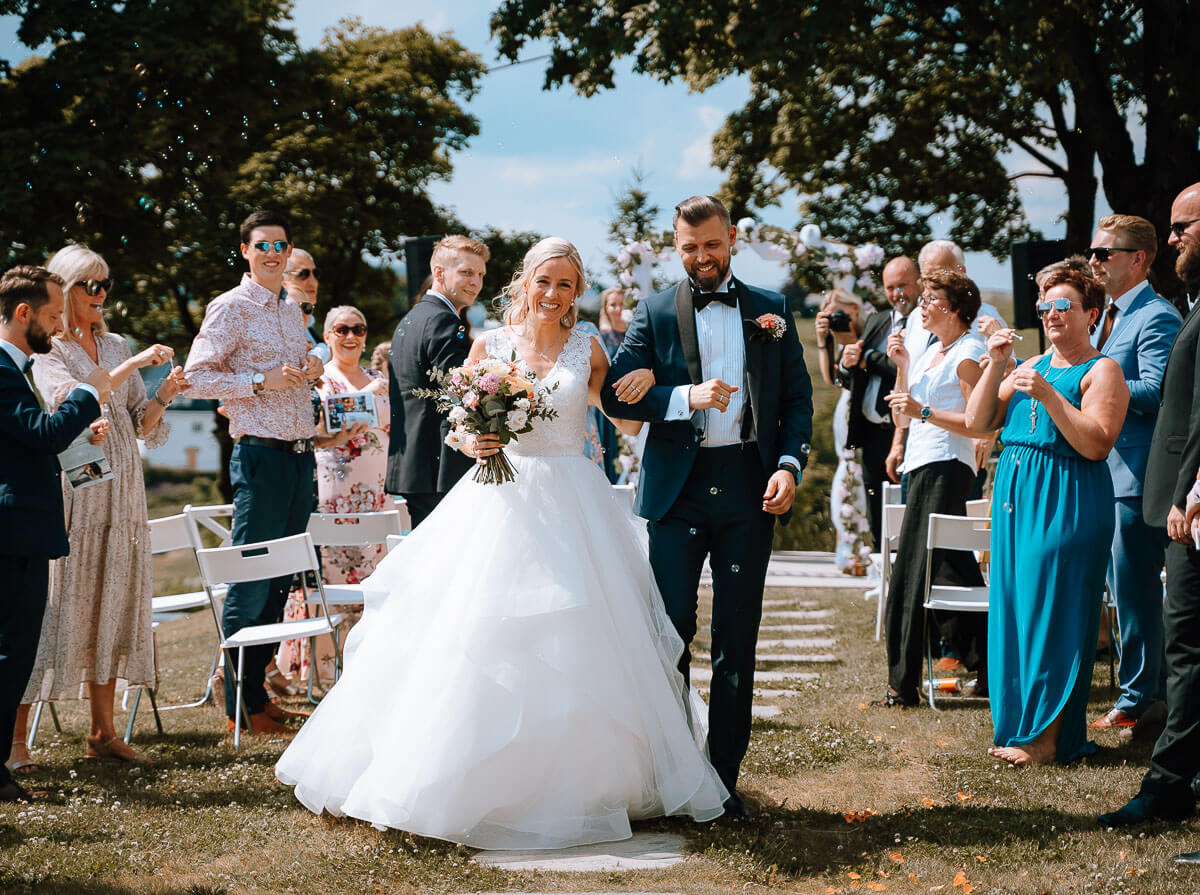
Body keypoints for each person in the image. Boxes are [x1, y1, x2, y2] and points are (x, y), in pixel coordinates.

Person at [276, 237, 727, 849]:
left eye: (566, 284)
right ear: (525, 282)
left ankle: (586, 780)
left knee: (582, 636)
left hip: (575, 500)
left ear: (577, 292)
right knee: (479, 633)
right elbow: (459, 420)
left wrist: (654, 380)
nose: (553, 294)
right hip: (500, 497)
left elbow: (623, 419)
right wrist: (472, 442)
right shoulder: (491, 345)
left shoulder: (589, 347)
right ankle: (465, 775)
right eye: (544, 281)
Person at [602, 195, 815, 818]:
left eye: (712, 245)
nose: (701, 257)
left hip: (750, 488)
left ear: (731, 243)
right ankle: (672, 775)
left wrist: (788, 463)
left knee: (737, 637)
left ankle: (722, 781)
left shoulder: (771, 310)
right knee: (669, 636)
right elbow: (620, 396)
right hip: (677, 493)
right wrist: (681, 396)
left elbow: (797, 400)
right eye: (689, 247)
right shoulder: (655, 309)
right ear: (677, 247)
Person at [11, 246, 185, 767]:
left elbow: (136, 423)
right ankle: (16, 742)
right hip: (77, 488)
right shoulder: (50, 349)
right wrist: (135, 364)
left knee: (113, 597)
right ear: (64, 291)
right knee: (54, 606)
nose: (100, 294)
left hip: (124, 488)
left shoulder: (115, 342)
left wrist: (164, 394)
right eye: (90, 284)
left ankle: (102, 732)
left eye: (105, 284)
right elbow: (72, 399)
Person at [967, 269, 1128, 764]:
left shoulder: (1102, 372)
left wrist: (1047, 395)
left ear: (1091, 314)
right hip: (1017, 501)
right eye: (1044, 307)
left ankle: (1049, 739)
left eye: (1063, 305)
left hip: (1067, 500)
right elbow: (978, 422)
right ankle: (1019, 725)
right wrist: (996, 365)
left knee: (1052, 615)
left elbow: (1097, 443)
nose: (1051, 314)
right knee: (1015, 611)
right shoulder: (1029, 363)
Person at [184, 210, 324, 737]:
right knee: (250, 577)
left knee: (282, 579)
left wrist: (313, 362)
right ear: (245, 250)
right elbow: (197, 377)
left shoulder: (291, 311)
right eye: (262, 244)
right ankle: (236, 709)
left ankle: (258, 697)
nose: (273, 253)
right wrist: (258, 382)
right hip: (260, 456)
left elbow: (305, 359)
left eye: (281, 245)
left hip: (299, 455)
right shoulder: (230, 307)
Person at [1101, 183, 1200, 838]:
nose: (1173, 238)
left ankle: (1162, 756)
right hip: (1160, 487)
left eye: (1182, 225)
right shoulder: (1173, 307)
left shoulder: (1159, 314)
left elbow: (1171, 400)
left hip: (1160, 488)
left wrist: (1187, 488)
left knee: (1170, 624)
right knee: (1155, 614)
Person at [0, 265, 108, 799]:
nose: (56, 326)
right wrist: (86, 395)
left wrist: (77, 428)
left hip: (22, 528)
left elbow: (27, 440)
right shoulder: (0, 368)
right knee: (11, 650)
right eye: (49, 316)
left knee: (14, 649)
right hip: (12, 532)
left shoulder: (13, 369)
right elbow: (40, 435)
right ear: (24, 315)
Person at [1085, 215, 1181, 735]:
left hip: (1138, 476)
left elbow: (1161, 393)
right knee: (1122, 592)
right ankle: (1148, 694)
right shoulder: (1109, 317)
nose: (1094, 261)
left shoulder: (1155, 316)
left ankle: (1140, 698)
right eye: (1093, 252)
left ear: (1139, 259)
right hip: (1107, 471)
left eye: (1106, 253)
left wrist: (1099, 388)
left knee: (1135, 592)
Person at [874, 269, 989, 707]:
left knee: (913, 573)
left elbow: (975, 421)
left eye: (930, 298)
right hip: (919, 464)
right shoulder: (928, 354)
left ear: (955, 309)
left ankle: (901, 687)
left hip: (947, 463)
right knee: (950, 569)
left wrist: (922, 411)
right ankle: (988, 666)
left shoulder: (968, 352)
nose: (921, 305)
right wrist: (903, 367)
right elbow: (902, 417)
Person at [277, 305, 390, 684]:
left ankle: (373, 661)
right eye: (341, 329)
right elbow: (312, 428)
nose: (351, 336)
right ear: (327, 336)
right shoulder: (320, 380)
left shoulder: (378, 376)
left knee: (375, 576)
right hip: (335, 489)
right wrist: (339, 428)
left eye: (358, 328)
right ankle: (331, 666)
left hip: (376, 491)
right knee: (337, 575)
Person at [385, 236, 486, 527]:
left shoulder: (411, 318)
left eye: (480, 274)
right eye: (467, 272)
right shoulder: (444, 321)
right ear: (439, 272)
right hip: (441, 465)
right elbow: (461, 391)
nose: (476, 282)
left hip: (414, 465)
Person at [838, 256, 918, 545]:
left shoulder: (926, 322)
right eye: (891, 287)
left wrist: (867, 359)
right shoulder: (876, 320)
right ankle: (879, 566)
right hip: (871, 431)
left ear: (919, 283)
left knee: (908, 506)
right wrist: (846, 363)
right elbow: (851, 373)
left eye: (904, 286)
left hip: (907, 431)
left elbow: (908, 366)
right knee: (877, 507)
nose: (898, 294)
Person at [814, 289, 872, 574]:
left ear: (855, 308)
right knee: (845, 483)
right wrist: (824, 340)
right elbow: (831, 378)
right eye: (830, 315)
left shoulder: (870, 333)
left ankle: (860, 553)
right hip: (846, 413)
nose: (837, 319)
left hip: (863, 418)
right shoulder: (838, 341)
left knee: (858, 483)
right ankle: (848, 550)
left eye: (840, 313)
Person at [598, 286, 630, 356]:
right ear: (606, 308)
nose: (618, 309)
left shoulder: (636, 334)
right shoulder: (601, 338)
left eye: (622, 304)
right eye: (613, 305)